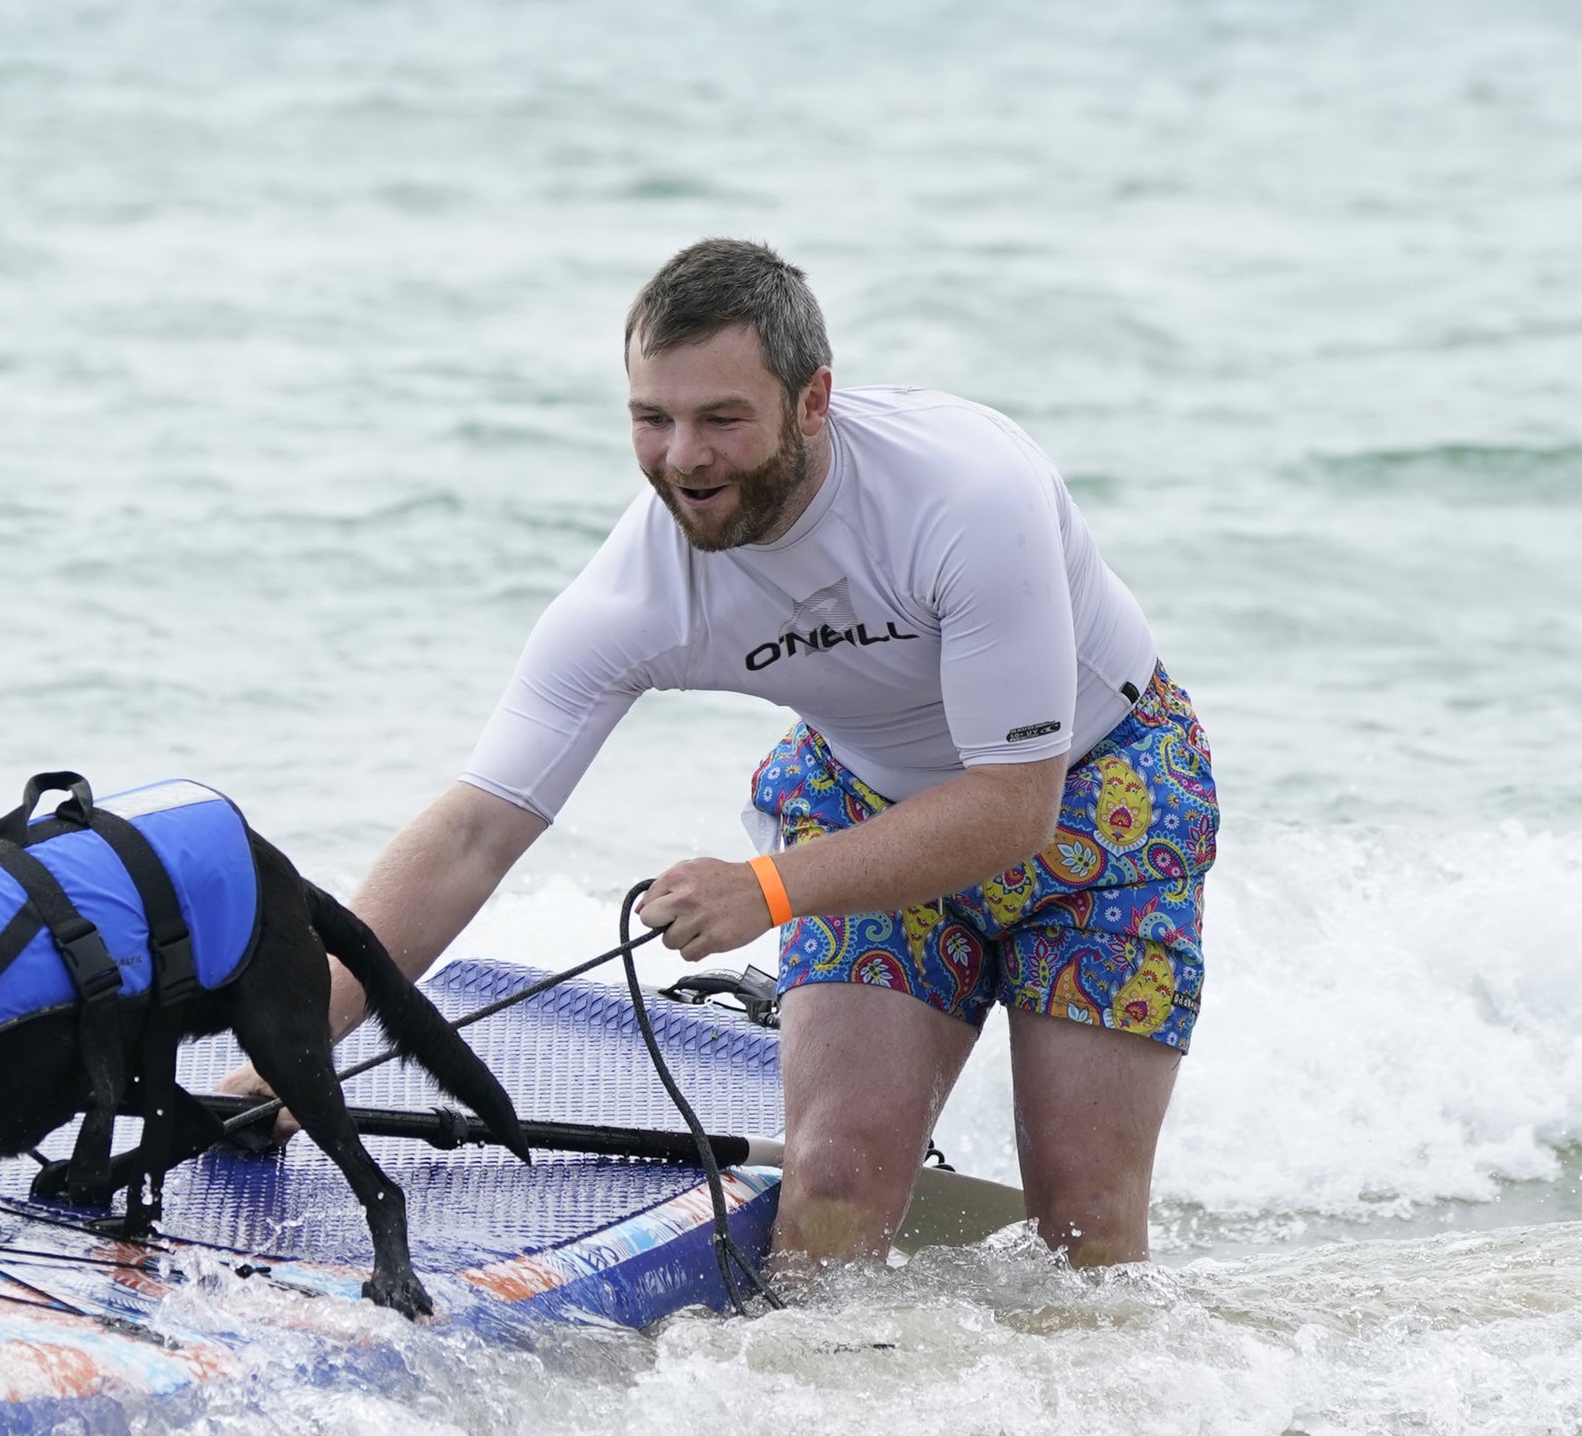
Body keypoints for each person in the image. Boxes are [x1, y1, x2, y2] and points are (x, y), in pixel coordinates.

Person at [246, 239, 1214, 1268]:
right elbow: (477, 828)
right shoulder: (639, 591)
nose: (682, 458)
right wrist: (295, 1049)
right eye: (650, 420)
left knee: (1085, 1228)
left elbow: (1013, 809)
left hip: (1096, 797)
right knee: (832, 1191)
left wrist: (766, 888)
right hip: (868, 802)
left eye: (720, 420)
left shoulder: (966, 495)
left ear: (812, 401)